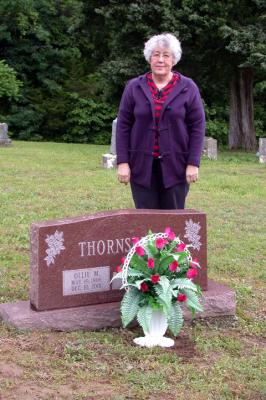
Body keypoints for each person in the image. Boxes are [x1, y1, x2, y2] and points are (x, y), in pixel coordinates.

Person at [116, 33, 205, 209]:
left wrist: (193, 163)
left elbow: (197, 126)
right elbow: (123, 125)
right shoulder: (134, 87)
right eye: (156, 54)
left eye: (166, 55)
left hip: (176, 168)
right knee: (146, 222)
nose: (160, 60)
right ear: (149, 58)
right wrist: (123, 162)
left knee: (172, 223)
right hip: (141, 166)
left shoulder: (188, 87)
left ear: (174, 60)